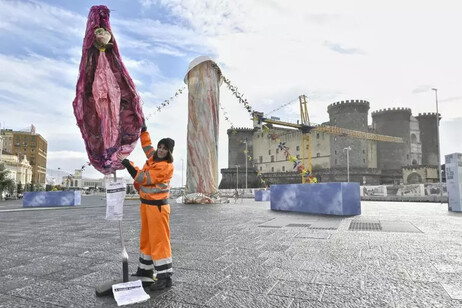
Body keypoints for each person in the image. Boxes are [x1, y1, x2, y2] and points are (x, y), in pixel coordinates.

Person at [117, 123, 175, 291]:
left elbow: (142, 178)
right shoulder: (153, 156)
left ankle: (165, 277)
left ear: (169, 152)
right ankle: (145, 270)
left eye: (165, 149)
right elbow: (147, 145)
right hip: (146, 206)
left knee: (159, 241)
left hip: (157, 208)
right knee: (147, 239)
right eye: (160, 147)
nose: (161, 150)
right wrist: (144, 129)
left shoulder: (165, 166)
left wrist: (127, 163)